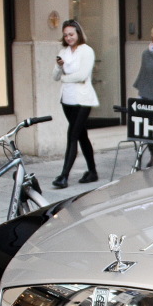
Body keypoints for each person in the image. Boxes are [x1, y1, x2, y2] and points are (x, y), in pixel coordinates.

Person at [51, 19, 99, 187]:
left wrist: (65, 78)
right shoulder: (63, 52)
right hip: (67, 99)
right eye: (66, 35)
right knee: (81, 135)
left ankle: (64, 176)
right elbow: (55, 76)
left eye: (71, 34)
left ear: (78, 33)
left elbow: (82, 75)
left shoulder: (87, 51)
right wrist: (59, 67)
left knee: (72, 135)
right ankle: (92, 171)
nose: (69, 37)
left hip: (83, 100)